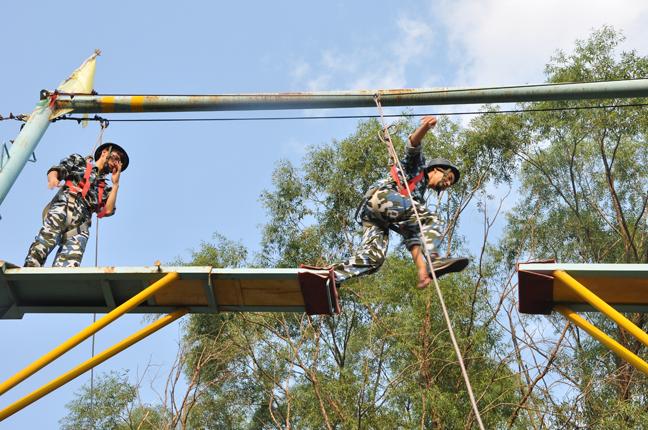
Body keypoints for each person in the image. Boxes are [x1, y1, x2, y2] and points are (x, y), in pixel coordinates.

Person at [333, 116, 468, 289]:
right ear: (436, 169)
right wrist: (425, 127)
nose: (448, 183)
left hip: (376, 218)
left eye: (450, 183)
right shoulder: (417, 167)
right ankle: (435, 259)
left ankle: (332, 275)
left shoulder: (417, 201)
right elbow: (413, 144)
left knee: (374, 258)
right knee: (429, 217)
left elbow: (411, 236)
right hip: (381, 197)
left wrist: (422, 270)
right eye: (448, 178)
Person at [24, 142, 129, 267]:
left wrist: (116, 184)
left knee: (68, 267)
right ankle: (29, 268)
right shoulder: (79, 162)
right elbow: (57, 170)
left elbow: (108, 211)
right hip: (63, 209)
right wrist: (53, 179)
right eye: (115, 158)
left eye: (119, 163)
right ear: (104, 152)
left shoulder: (105, 189)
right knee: (40, 248)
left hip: (80, 227)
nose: (115, 164)